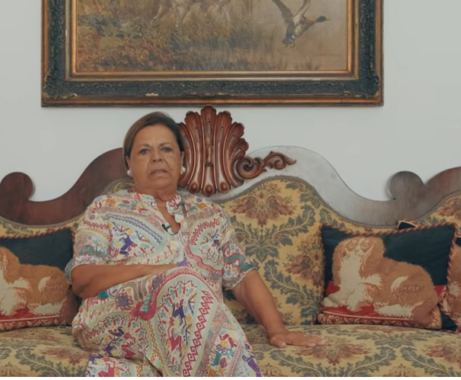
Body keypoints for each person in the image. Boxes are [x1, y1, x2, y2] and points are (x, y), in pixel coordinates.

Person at [65, 112, 325, 377]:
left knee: (187, 292)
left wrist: (276, 329)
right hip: (116, 320)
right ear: (129, 163)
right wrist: (150, 272)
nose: (157, 157)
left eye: (166, 149)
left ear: (182, 160)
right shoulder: (106, 209)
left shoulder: (209, 214)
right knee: (182, 282)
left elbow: (243, 277)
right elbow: (82, 279)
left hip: (193, 329)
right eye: (144, 151)